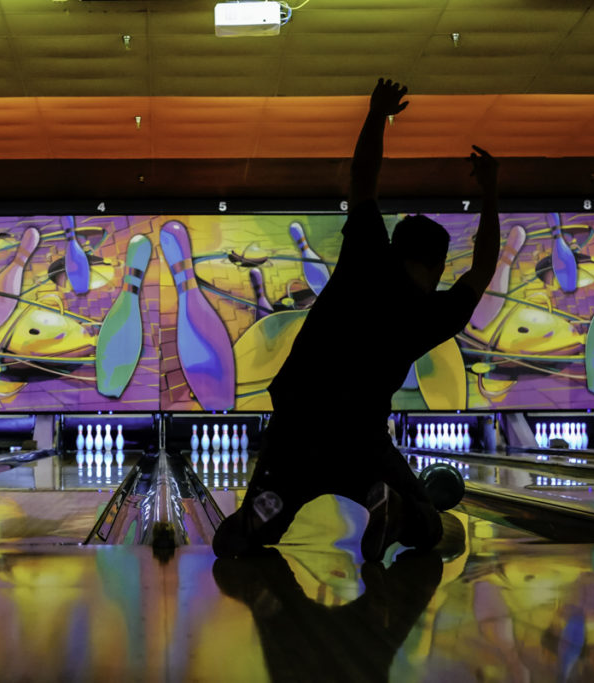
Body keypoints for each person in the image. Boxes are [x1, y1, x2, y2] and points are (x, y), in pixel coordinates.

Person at [213, 78, 500, 562]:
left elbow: (363, 177)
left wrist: (377, 113)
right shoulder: (433, 311)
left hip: (294, 430)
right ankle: (395, 508)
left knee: (238, 539)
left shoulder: (368, 254)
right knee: (428, 526)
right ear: (434, 267)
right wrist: (491, 192)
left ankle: (266, 508)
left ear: (395, 246)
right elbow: (485, 264)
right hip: (359, 440)